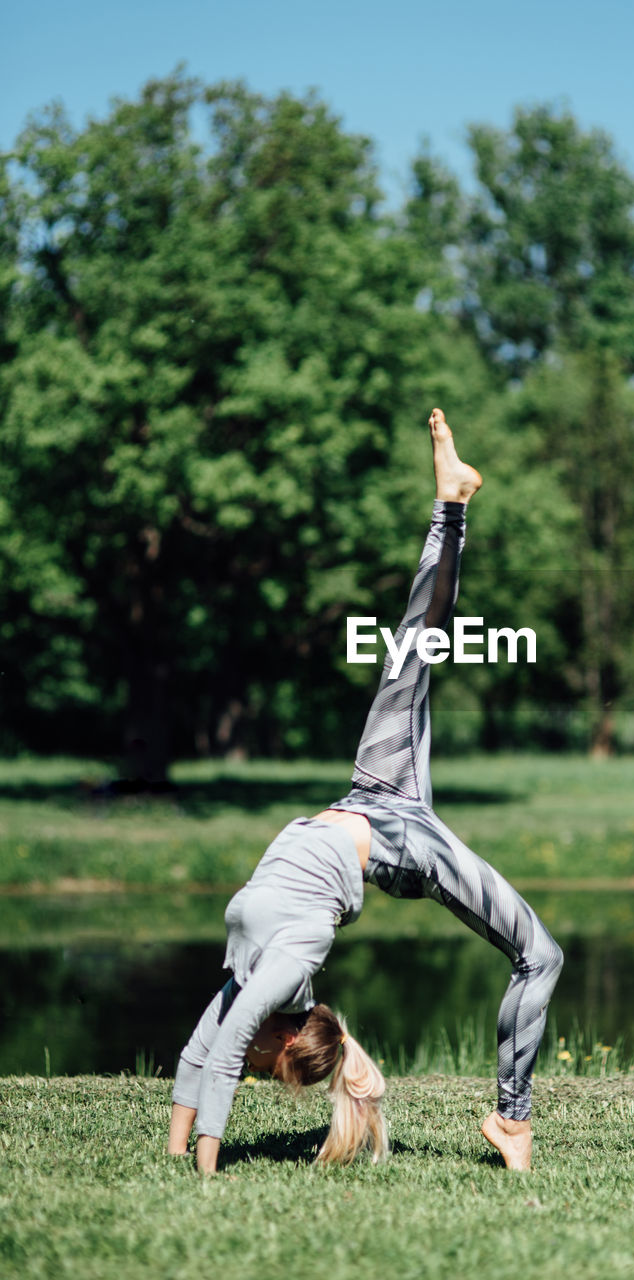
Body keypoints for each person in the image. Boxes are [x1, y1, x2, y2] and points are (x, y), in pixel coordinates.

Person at [167, 409, 563, 1174]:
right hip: (393, 836)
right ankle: (511, 1119)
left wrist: (188, 1155)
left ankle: (450, 501)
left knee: (416, 638)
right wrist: (200, 1158)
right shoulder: (285, 960)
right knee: (536, 956)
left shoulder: (270, 968)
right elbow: (214, 1054)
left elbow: (206, 1050)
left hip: (374, 797)